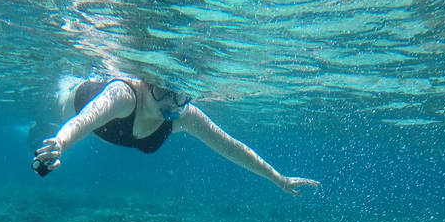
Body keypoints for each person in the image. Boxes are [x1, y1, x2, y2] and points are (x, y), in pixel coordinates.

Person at [32, 77, 320, 195]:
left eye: (178, 96)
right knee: (58, 106)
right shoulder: (124, 95)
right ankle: (64, 83)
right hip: (81, 100)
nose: (169, 104)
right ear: (146, 82)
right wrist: (60, 143)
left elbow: (231, 148)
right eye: (161, 91)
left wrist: (277, 178)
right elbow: (86, 119)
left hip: (105, 131)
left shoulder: (184, 115)